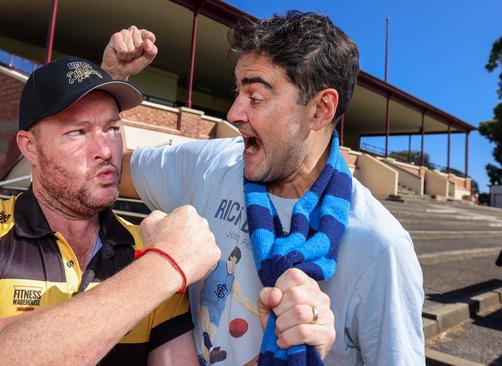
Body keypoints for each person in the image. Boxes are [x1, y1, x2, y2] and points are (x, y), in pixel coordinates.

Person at [105, 11, 425, 366]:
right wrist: (112, 81)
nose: (234, 113)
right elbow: (110, 169)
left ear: (321, 109)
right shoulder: (211, 164)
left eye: (255, 96)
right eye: (237, 92)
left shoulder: (380, 247)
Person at [0, 56, 222, 366]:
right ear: (29, 147)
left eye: (112, 129)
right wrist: (164, 269)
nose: (105, 150)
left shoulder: (146, 245)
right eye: (78, 131)